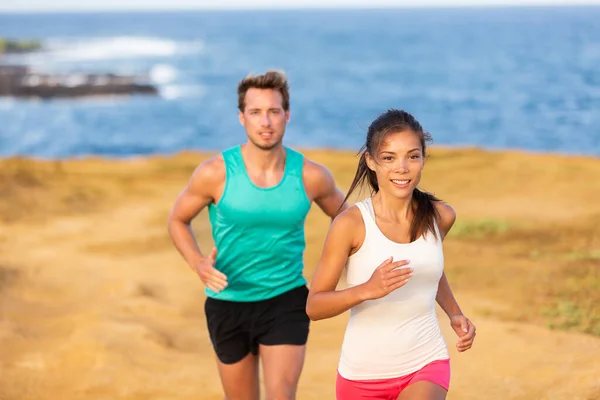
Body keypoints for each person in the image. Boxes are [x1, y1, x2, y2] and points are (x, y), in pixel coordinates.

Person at [167, 70, 347, 400]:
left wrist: (336, 270)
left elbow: (350, 222)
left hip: (286, 298)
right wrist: (197, 264)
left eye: (274, 111)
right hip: (227, 303)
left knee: (281, 395)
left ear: (287, 115)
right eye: (255, 112)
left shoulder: (312, 175)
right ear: (242, 117)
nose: (266, 122)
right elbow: (177, 220)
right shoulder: (214, 173)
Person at [305, 109, 476, 400]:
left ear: (424, 158)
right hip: (362, 375)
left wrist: (455, 312)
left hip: (426, 360)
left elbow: (428, 268)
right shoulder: (350, 225)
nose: (402, 168)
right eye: (389, 158)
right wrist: (366, 290)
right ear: (371, 162)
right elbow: (315, 306)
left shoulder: (441, 216)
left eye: (413, 156)